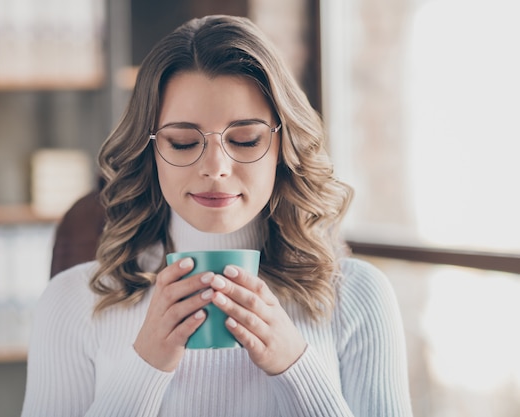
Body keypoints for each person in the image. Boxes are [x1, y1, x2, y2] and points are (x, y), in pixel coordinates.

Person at [21, 15, 413, 417]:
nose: (215, 168)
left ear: (284, 145)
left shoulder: (359, 297)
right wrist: (143, 366)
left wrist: (295, 365)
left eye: (245, 139)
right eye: (183, 142)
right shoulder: (71, 303)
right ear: (151, 150)